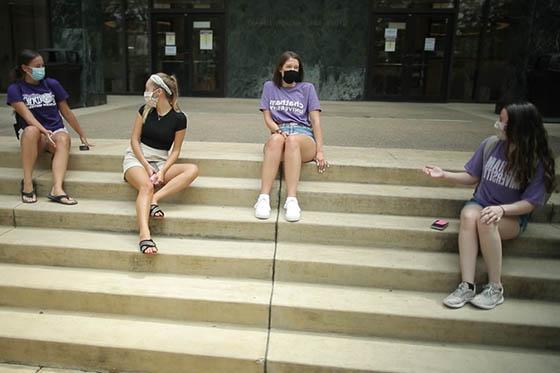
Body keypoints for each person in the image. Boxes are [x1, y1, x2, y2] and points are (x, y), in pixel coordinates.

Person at [424, 102, 556, 310]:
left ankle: (495, 287)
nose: (498, 125)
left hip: (511, 215)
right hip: (482, 203)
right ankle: (467, 285)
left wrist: (502, 210)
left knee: (487, 221)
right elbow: (472, 176)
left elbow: (530, 203)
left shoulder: (538, 161)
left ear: (520, 127)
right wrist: (444, 174)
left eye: (503, 122)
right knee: (469, 216)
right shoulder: (490, 145)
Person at [123, 72, 198, 255]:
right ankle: (144, 234)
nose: (145, 93)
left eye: (148, 89)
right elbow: (134, 141)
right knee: (147, 186)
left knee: (192, 169)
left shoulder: (179, 118)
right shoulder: (144, 110)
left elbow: (176, 151)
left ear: (159, 92)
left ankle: (155, 199)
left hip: (161, 161)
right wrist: (146, 166)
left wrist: (163, 171)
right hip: (137, 158)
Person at [7, 49, 93, 205]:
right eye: (37, 66)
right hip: (33, 135)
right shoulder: (15, 89)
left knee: (64, 138)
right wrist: (43, 131)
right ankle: (27, 183)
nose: (41, 69)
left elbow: (66, 112)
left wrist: (81, 134)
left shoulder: (52, 84)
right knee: (32, 130)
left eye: (42, 65)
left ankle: (57, 189)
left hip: (54, 131)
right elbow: (28, 117)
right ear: (25, 68)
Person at [254, 51, 328, 222]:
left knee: (293, 140)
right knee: (276, 139)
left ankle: (291, 199)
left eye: (296, 67)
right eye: (289, 66)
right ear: (280, 69)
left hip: (303, 135)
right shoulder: (269, 87)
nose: (292, 69)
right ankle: (263, 198)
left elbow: (315, 122)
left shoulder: (307, 89)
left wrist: (320, 151)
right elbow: (267, 117)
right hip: (279, 132)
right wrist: (277, 130)